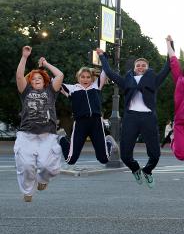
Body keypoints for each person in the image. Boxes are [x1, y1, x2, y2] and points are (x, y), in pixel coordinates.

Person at [97, 45, 170, 188]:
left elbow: (168, 67)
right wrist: (102, 56)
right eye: (138, 65)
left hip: (148, 117)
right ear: (134, 68)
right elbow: (110, 73)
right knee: (125, 155)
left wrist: (169, 46)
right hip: (131, 117)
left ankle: (147, 171)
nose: (141, 67)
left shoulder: (154, 80)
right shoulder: (127, 81)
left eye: (144, 65)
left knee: (155, 155)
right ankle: (135, 169)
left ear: (148, 68)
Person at [14, 46, 64, 202]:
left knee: (49, 167)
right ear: (30, 82)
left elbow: (60, 75)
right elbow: (19, 76)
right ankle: (28, 191)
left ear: (44, 81)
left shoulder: (51, 91)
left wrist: (46, 63)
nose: (36, 80)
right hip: (26, 134)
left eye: (39, 78)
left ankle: (43, 180)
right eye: (33, 78)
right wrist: (24, 57)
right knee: (26, 165)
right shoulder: (26, 91)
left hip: (47, 135)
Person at [59, 67, 112, 165]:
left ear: (92, 78)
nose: (85, 79)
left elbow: (105, 70)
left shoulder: (96, 86)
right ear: (78, 78)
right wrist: (45, 64)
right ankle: (62, 138)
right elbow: (54, 81)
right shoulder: (72, 89)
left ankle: (108, 141)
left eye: (88, 77)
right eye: (82, 77)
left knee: (104, 159)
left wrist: (102, 55)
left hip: (96, 123)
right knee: (70, 160)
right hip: (80, 124)